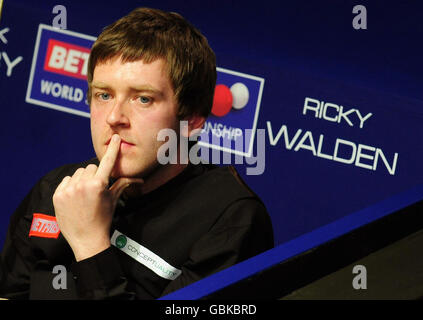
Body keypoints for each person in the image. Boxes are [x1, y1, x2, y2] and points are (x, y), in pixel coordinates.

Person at [0, 7, 274, 299]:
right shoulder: (57, 189)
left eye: (143, 99)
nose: (115, 117)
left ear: (192, 119)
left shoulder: (230, 220)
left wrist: (91, 245)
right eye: (103, 95)